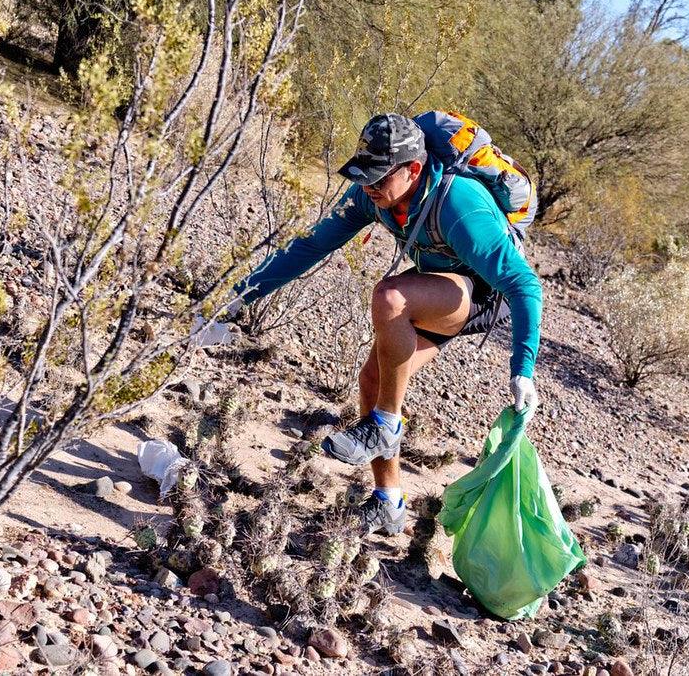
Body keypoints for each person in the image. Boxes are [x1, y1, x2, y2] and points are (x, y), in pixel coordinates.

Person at [204, 113, 542, 535]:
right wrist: (237, 298)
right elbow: (311, 246)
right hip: (438, 283)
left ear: (413, 169)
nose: (368, 186)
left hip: (483, 294)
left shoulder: (459, 205)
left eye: (379, 178)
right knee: (375, 379)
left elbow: (524, 285)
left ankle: (384, 424)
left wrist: (522, 370)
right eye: (363, 175)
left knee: (390, 296)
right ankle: (388, 500)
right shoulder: (373, 196)